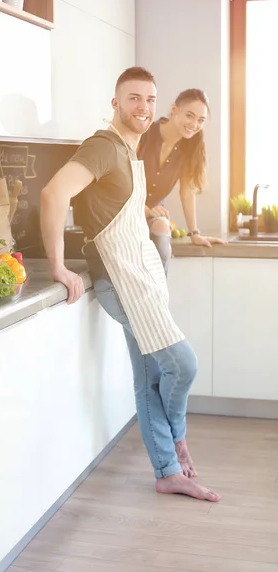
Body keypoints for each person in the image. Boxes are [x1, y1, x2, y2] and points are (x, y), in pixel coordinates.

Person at [40, 66, 221, 502]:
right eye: (134, 98)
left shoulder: (128, 149)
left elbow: (119, 211)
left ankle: (166, 472)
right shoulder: (103, 146)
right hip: (117, 282)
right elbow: (53, 194)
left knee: (150, 377)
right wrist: (59, 268)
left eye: (149, 99)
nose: (143, 107)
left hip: (138, 277)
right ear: (116, 103)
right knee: (185, 364)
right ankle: (176, 439)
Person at [137, 89, 225, 273]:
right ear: (174, 109)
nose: (194, 124)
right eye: (190, 116)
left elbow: (187, 192)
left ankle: (157, 293)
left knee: (162, 226)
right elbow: (122, 178)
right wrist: (144, 209)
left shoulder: (189, 147)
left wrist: (195, 233)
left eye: (201, 120)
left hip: (154, 212)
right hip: (127, 206)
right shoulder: (144, 134)